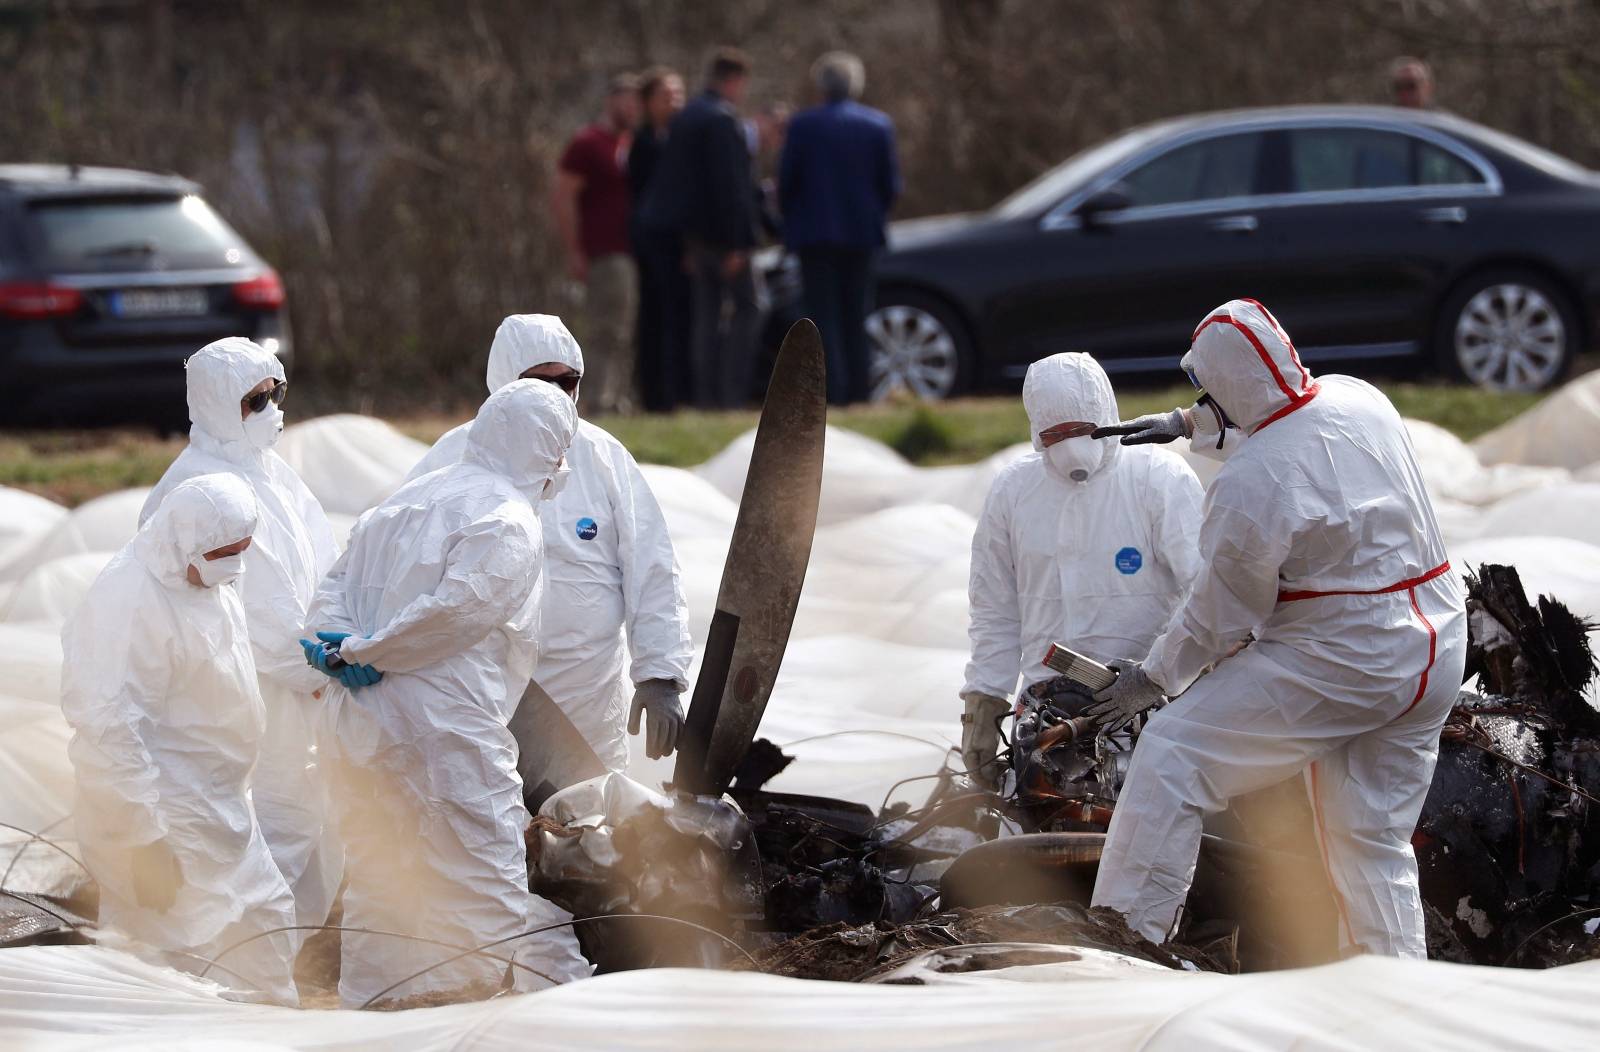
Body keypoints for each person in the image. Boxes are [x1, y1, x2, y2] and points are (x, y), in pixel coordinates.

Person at [1086, 299, 1467, 959]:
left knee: (1173, 755)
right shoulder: (1360, 397)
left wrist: (1154, 678)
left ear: (1222, 385)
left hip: (1345, 657)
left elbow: (1221, 612)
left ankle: (1125, 950)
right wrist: (1188, 423)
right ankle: (1395, 1002)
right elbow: (1289, 418)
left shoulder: (1249, 484)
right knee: (1369, 838)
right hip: (1435, 642)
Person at [304, 379, 591, 1007]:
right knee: (480, 881)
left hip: (359, 723)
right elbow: (457, 612)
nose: (562, 466)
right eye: (559, 447)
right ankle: (474, 1018)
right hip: (446, 729)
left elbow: (332, 588)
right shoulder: (507, 520)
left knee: (384, 879)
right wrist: (365, 651)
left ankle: (380, 1016)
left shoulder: (403, 503)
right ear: (541, 447)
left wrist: (337, 645)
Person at [406, 314, 693, 772]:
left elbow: (652, 566)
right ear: (504, 383)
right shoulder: (448, 461)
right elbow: (402, 564)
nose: (558, 396)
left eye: (569, 382)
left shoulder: (604, 459)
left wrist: (660, 675)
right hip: (482, 693)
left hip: (587, 697)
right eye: (540, 383)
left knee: (593, 829)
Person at [62, 473, 300, 1005]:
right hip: (167, 817)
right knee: (179, 967)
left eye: (241, 552)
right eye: (222, 553)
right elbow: (108, 729)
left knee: (262, 931)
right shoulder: (127, 601)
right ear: (181, 538)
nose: (233, 566)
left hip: (223, 808)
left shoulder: (206, 579)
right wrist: (143, 839)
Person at [138, 337, 342, 938]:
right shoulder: (194, 488)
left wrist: (334, 646)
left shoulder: (274, 474)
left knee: (310, 817)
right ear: (219, 405)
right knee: (260, 824)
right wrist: (312, 671)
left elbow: (319, 563)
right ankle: (239, 956)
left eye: (277, 393)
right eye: (257, 400)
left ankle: (284, 955)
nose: (273, 409)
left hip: (299, 686)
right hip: (238, 694)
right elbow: (235, 608)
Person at [960, 353, 1203, 786]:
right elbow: (994, 609)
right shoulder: (1015, 492)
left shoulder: (1157, 479)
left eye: (1082, 431)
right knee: (1035, 835)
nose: (1070, 446)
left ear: (1107, 415)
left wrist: (1158, 674)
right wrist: (983, 702)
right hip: (1046, 715)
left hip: (1148, 710)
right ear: (1037, 434)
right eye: (1055, 435)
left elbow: (1207, 592)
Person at [638, 47, 761, 409]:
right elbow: (731, 186)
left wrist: (690, 243)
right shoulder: (721, 120)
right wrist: (740, 243)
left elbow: (679, 185)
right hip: (724, 239)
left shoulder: (686, 118)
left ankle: (704, 396)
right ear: (735, 80)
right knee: (748, 309)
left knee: (704, 320)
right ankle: (731, 394)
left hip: (694, 239)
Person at [779, 51, 901, 405]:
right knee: (857, 314)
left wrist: (791, 220)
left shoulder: (803, 126)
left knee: (823, 317)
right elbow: (890, 185)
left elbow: (788, 182)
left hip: (815, 235)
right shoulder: (878, 125)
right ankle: (861, 391)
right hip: (862, 234)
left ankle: (832, 393)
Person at [554, 73, 641, 414]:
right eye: (626, 99)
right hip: (604, 251)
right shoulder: (588, 143)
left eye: (637, 101)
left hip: (632, 249)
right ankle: (597, 399)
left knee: (626, 328)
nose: (632, 107)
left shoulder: (633, 143)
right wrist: (574, 249)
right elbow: (563, 197)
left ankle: (619, 396)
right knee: (606, 328)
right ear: (610, 100)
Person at [629, 66, 692, 412]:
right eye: (666, 96)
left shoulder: (685, 138)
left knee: (680, 320)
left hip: (680, 245)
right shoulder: (642, 143)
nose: (675, 102)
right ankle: (655, 396)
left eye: (678, 94)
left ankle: (680, 393)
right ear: (649, 102)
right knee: (654, 320)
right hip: (651, 246)